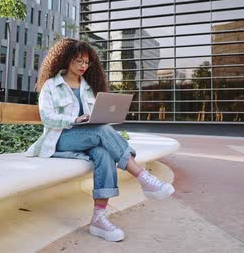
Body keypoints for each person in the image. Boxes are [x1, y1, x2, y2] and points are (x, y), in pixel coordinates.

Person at [26, 38, 174, 242]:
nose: (83, 66)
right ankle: (143, 178)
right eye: (79, 61)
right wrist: (74, 119)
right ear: (66, 59)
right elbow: (47, 117)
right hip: (60, 138)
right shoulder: (51, 85)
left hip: (87, 137)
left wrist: (99, 117)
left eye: (86, 62)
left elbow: (96, 117)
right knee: (101, 132)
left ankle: (99, 218)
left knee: (103, 153)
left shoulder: (88, 87)